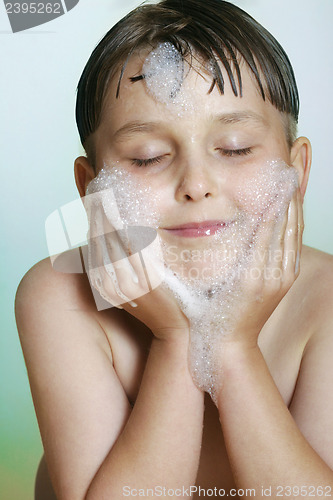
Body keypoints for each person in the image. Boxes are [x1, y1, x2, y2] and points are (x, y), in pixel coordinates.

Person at [15, 1, 333, 499]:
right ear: (90, 187)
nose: (196, 184)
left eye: (234, 147)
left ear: (297, 172)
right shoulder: (58, 296)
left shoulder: (326, 301)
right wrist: (175, 340)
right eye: (148, 158)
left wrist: (232, 348)